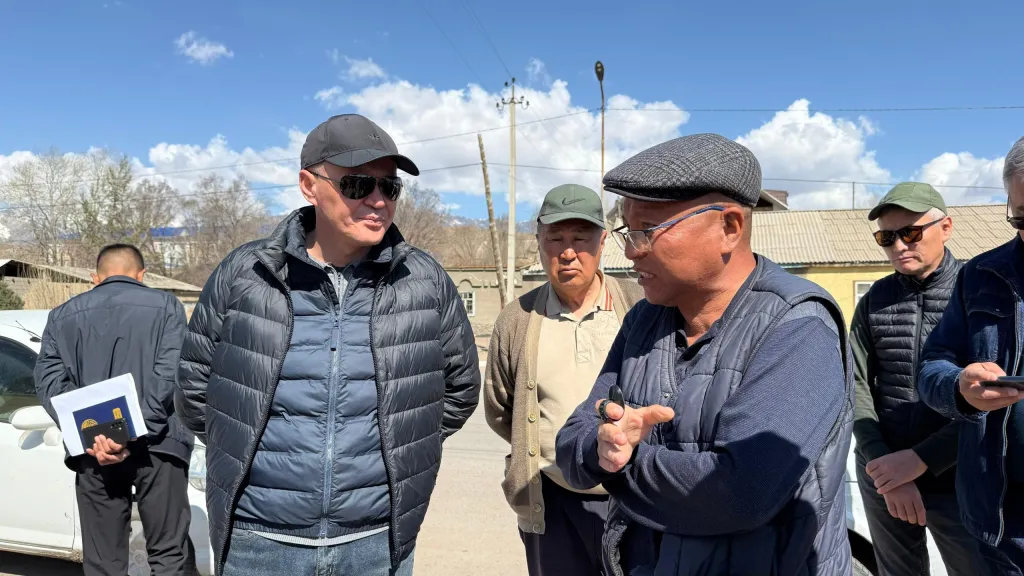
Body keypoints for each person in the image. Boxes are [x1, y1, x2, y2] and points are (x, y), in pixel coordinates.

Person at [175, 113, 481, 576]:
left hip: (376, 543)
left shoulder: (425, 281)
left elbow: (459, 391)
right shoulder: (245, 275)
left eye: (390, 186)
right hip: (260, 541)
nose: (378, 200)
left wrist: (398, 449)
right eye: (358, 184)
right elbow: (195, 391)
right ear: (309, 185)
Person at [555, 133, 855, 576]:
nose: (631, 251)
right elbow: (570, 443)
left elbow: (739, 494)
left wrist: (622, 463)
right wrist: (601, 445)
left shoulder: (798, 325)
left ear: (729, 228)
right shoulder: (644, 321)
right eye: (626, 232)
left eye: (647, 231)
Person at [484, 183, 644, 575]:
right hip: (551, 504)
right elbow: (501, 410)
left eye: (580, 238)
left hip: (632, 502)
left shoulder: (639, 307)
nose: (567, 252)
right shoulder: (517, 320)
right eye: (555, 238)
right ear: (539, 242)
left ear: (602, 242)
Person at [34, 244, 194, 576]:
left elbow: (49, 383)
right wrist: (129, 430)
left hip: (95, 450)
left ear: (95, 278)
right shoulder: (167, 306)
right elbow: (171, 375)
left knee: (103, 562)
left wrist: (98, 433)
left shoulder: (61, 315)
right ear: (141, 274)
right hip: (159, 444)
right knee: (168, 555)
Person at [852, 182, 981, 575]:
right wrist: (884, 465)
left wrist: (922, 459)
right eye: (886, 237)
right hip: (883, 473)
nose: (899, 245)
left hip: (959, 473)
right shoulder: (874, 299)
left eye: (910, 232)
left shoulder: (981, 295)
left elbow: (998, 398)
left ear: (946, 227)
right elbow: (854, 383)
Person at [918, 135, 1024, 575]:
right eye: (1023, 216)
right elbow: (931, 366)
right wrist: (959, 387)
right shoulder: (980, 274)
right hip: (999, 528)